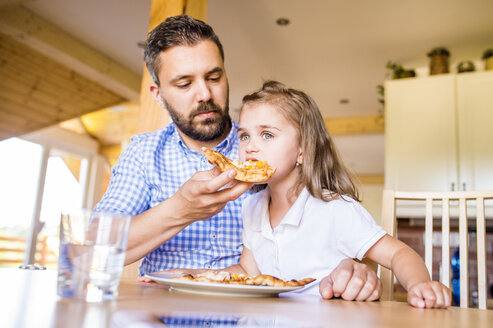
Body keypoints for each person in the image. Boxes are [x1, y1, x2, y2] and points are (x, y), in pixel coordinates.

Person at [95, 15, 381, 301]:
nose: (205, 94)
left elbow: (336, 232)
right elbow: (91, 248)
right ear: (158, 95)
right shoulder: (143, 152)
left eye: (214, 77)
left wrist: (355, 268)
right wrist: (180, 210)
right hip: (162, 315)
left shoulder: (272, 155)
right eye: (184, 84)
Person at [224, 80, 451, 308]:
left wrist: (419, 284)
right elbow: (247, 272)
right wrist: (193, 275)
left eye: (267, 135)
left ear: (302, 150)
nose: (250, 147)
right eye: (244, 136)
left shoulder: (334, 209)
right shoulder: (252, 207)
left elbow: (397, 254)